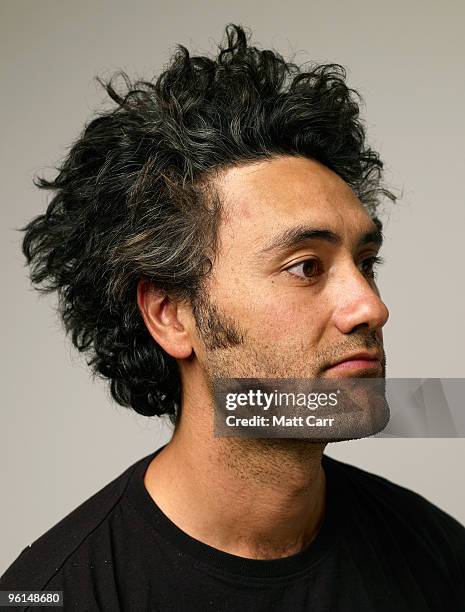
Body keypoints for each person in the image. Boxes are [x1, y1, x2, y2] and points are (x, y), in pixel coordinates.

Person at [1, 23, 464, 612]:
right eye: (305, 267)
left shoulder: (436, 557)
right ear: (172, 316)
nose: (371, 306)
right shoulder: (56, 592)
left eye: (366, 263)